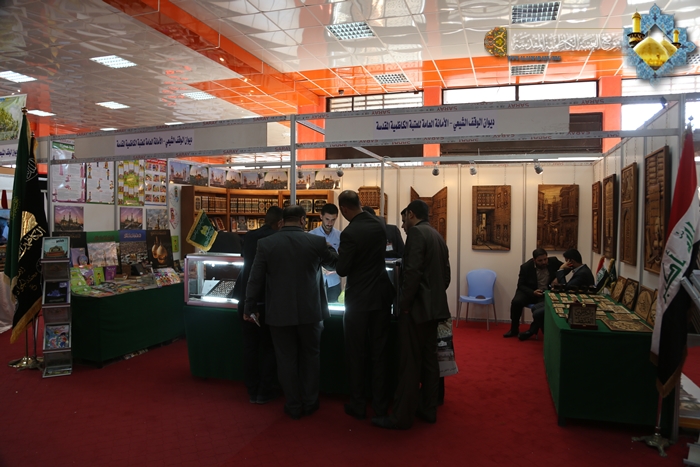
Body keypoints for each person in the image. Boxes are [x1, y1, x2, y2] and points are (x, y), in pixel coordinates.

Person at [244, 206, 338, 420]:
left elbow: (255, 279)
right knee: (311, 357)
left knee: (285, 359)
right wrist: (330, 249)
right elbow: (337, 264)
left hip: (279, 312)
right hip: (311, 311)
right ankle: (310, 402)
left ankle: (293, 404)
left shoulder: (266, 244)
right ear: (303, 220)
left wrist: (250, 307)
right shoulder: (316, 242)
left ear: (282, 221)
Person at [372, 199, 451, 430]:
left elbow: (412, 273)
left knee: (409, 364)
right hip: (434, 310)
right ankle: (428, 408)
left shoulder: (416, 234)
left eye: (404, 218)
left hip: (416, 311)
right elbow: (446, 276)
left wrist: (403, 305)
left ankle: (401, 417)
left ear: (412, 214)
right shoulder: (436, 235)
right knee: (430, 361)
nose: (402, 225)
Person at [337, 191, 394, 420]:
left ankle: (358, 404)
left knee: (356, 353)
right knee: (380, 353)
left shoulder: (350, 233)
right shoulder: (379, 224)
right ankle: (380, 406)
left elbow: (342, 269)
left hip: (359, 299)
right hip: (381, 295)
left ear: (344, 209)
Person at [230, 206, 283, 404]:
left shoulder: (250, 236)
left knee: (250, 347)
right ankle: (265, 390)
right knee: (270, 347)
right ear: (280, 223)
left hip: (245, 298)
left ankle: (252, 388)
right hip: (266, 300)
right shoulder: (276, 239)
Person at [519, 248, 595, 341]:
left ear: (571, 261)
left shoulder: (582, 273)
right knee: (535, 307)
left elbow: (565, 288)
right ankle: (535, 331)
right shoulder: (581, 270)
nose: (565, 263)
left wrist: (560, 270)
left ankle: (546, 335)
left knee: (537, 313)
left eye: (566, 261)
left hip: (574, 303)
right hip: (571, 298)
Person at [504, 248, 562, 338]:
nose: (544, 262)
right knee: (516, 302)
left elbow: (567, 267)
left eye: (545, 259)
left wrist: (558, 277)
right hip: (529, 291)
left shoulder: (553, 261)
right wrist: (532, 292)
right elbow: (521, 285)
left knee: (542, 309)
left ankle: (532, 330)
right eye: (540, 261)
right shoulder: (526, 267)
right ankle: (514, 329)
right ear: (534, 260)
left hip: (545, 292)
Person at [308, 203, 342, 302]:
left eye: (333, 220)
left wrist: (335, 270)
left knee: (334, 309)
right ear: (321, 216)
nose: (330, 223)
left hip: (334, 282)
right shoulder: (311, 235)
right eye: (327, 219)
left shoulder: (340, 236)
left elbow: (343, 259)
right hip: (316, 281)